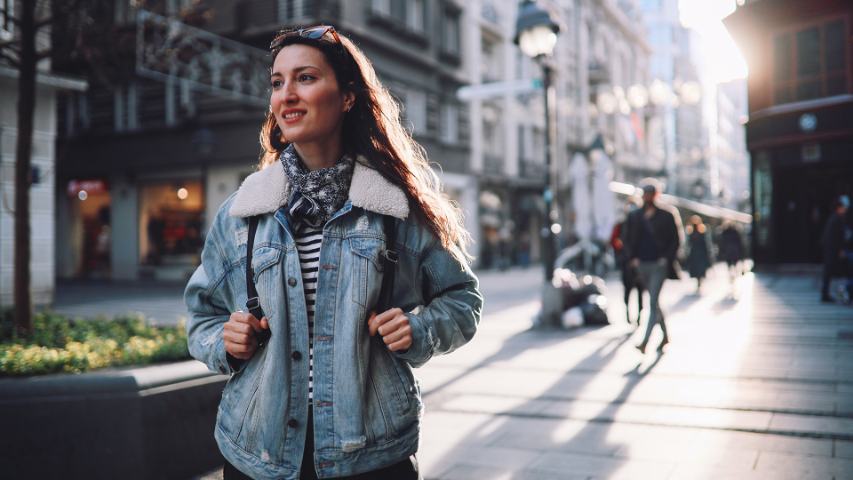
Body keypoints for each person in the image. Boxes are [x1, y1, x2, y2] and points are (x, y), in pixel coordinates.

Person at [184, 25, 483, 480]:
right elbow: (200, 317)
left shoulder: (393, 207)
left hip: (369, 454)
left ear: (347, 97)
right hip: (259, 454)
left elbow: (462, 300)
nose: (287, 95)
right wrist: (224, 340)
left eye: (305, 78)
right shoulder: (242, 212)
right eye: (277, 82)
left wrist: (418, 328)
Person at [623, 179, 683, 353]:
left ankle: (645, 341)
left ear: (656, 195)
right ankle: (665, 336)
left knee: (652, 300)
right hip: (642, 264)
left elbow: (675, 240)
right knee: (654, 301)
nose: (647, 196)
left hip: (659, 265)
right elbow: (626, 239)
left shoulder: (667, 215)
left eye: (651, 193)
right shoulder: (635, 216)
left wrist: (666, 258)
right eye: (645, 193)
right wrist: (632, 258)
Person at [610, 204, 644, 325]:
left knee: (640, 290)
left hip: (640, 262)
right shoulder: (620, 226)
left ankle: (639, 315)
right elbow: (614, 241)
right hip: (627, 263)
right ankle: (628, 314)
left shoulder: (642, 225)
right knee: (628, 289)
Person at [820, 196, 849, 302]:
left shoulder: (836, 218)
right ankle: (826, 294)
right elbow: (837, 236)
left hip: (831, 249)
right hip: (832, 249)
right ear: (839, 207)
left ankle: (827, 293)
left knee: (830, 273)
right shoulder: (836, 218)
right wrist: (840, 249)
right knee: (831, 272)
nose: (845, 209)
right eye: (844, 207)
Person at [684, 215, 712, 293]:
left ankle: (699, 281)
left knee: (700, 268)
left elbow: (707, 242)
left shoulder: (703, 230)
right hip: (695, 253)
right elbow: (687, 243)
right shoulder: (690, 231)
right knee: (696, 268)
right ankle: (698, 280)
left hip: (701, 252)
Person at [719, 221, 745, 291]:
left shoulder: (725, 232)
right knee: (734, 263)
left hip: (729, 252)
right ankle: (733, 273)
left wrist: (722, 251)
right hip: (734, 251)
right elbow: (739, 242)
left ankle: (732, 273)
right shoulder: (735, 232)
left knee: (730, 264)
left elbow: (722, 243)